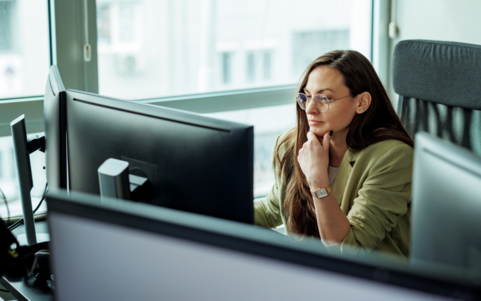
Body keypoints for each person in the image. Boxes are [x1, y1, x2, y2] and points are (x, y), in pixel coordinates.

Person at [254, 50, 413, 258]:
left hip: (371, 280)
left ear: (361, 103)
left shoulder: (392, 157)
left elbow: (349, 249)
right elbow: (272, 209)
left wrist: (318, 180)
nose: (310, 109)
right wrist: (212, 209)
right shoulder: (292, 145)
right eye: (307, 97)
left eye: (325, 98)